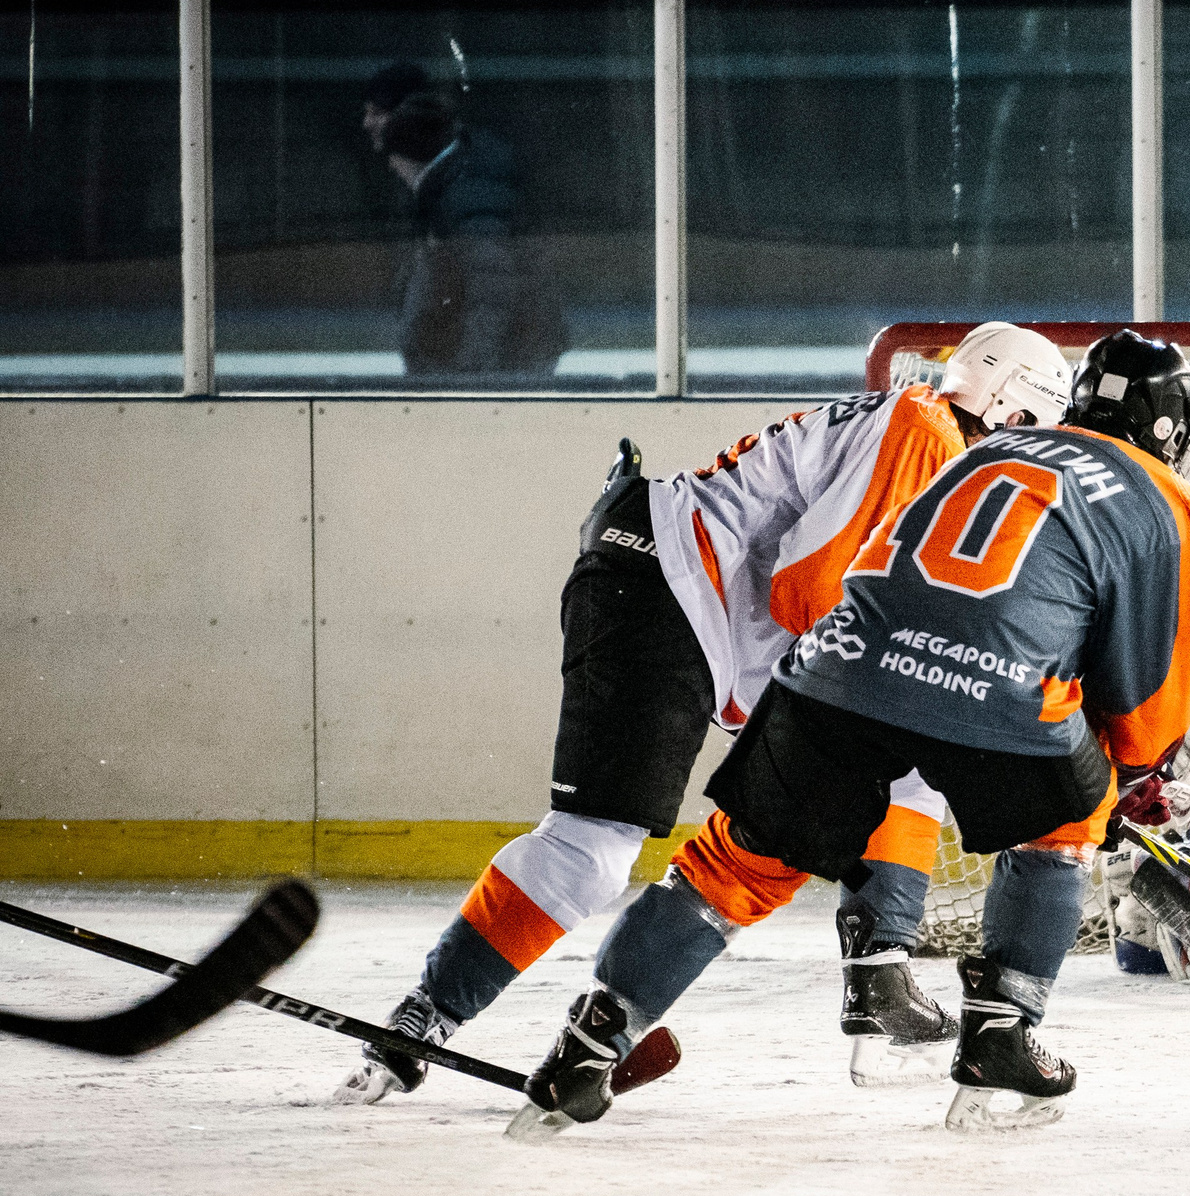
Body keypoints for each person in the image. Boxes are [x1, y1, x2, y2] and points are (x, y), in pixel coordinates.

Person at [335, 322, 1076, 1104]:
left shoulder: (913, 421)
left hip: (678, 593)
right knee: (593, 850)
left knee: (898, 756)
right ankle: (424, 1017)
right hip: (670, 588)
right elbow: (811, 592)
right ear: (1011, 410)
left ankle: (876, 966)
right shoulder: (923, 429)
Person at [522, 331, 1190, 1134]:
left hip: (839, 662)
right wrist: (1129, 777)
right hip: (993, 689)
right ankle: (1001, 1031)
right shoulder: (1175, 508)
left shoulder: (980, 450)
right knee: (1065, 822)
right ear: (1175, 430)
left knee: (741, 859)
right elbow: (1150, 700)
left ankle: (586, 1047)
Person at [379, 92, 569, 377]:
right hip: (500, 357)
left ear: (410, 155)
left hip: (496, 366)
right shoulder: (460, 187)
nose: (391, 167)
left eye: (393, 156)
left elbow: (491, 288)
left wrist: (475, 374)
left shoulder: (467, 198)